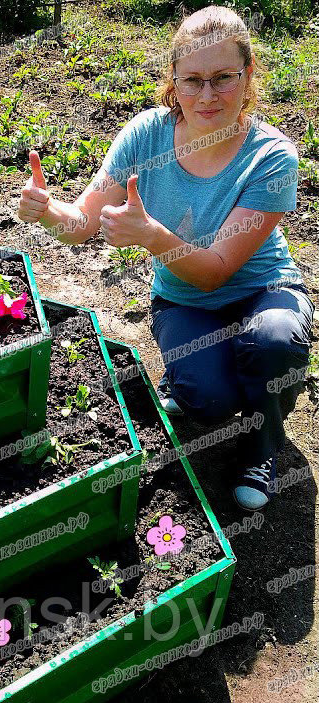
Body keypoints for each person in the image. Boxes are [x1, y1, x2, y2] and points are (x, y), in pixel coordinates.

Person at [17, 6, 315, 511]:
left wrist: (152, 236)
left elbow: (217, 271)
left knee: (273, 344)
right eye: (193, 80)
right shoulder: (145, 136)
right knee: (208, 400)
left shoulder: (272, 158)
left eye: (223, 78)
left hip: (262, 291)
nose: (207, 95)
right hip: (183, 299)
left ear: (249, 75)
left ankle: (264, 441)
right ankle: (200, 375)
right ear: (172, 81)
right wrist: (48, 212)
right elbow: (85, 222)